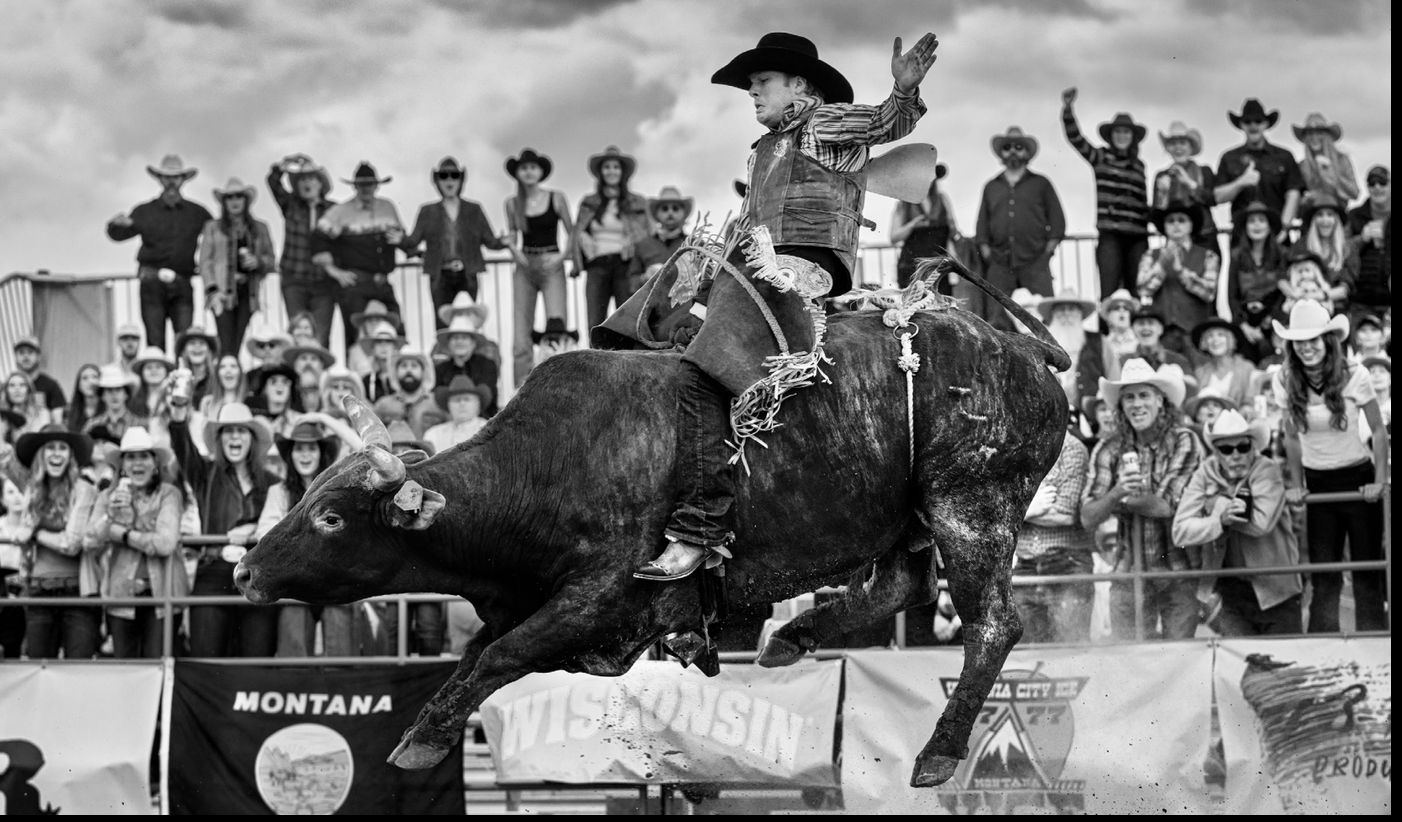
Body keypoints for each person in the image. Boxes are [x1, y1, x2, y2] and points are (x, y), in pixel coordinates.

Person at [634, 29, 940, 581]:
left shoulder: (819, 121)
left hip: (799, 272)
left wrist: (903, 93)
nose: (752, 92)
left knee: (704, 369)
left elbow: (883, 124)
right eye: (750, 84)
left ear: (798, 84)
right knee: (646, 324)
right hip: (758, 270)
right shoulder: (764, 149)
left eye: (762, 82)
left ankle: (702, 527)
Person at [1271, 301, 1388, 633]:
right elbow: (1291, 438)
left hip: (1357, 477)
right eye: (1300, 341)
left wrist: (1379, 481)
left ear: (1328, 340)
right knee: (1325, 575)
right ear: (1291, 345)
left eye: (1314, 340)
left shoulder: (1355, 374)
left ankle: (1375, 651)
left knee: (1367, 573)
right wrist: (1297, 483)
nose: (1307, 347)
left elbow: (1378, 431)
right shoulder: (1284, 378)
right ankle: (1322, 651)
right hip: (1319, 481)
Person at [1081, 358, 1202, 640]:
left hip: (1177, 570)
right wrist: (1119, 492)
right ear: (1121, 406)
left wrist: (1118, 501)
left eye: (1144, 395)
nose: (1137, 404)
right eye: (1129, 397)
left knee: (1179, 661)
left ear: (1161, 401)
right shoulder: (1108, 447)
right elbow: (1087, 516)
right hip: (1128, 570)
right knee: (1130, 664)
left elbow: (1165, 506)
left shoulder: (1184, 439)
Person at [1172, 409, 1303, 636]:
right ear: (1216, 452)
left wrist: (1217, 504)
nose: (1235, 455)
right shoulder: (1205, 472)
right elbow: (1180, 531)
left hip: (1276, 590)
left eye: (1242, 447)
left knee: (1284, 668)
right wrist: (1220, 520)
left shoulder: (1267, 468)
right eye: (1226, 449)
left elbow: (1260, 524)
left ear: (1253, 447)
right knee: (1243, 666)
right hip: (1230, 591)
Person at [167, 399, 277, 656]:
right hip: (213, 571)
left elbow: (283, 522)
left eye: (241, 430)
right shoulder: (204, 474)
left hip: (257, 573)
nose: (234, 437)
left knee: (256, 659)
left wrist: (251, 530)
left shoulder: (272, 483)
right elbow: (182, 447)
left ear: (252, 438)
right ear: (219, 439)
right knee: (206, 657)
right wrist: (178, 412)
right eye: (228, 431)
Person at [256, 418, 360, 657]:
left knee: (340, 645)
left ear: (321, 453)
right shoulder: (278, 492)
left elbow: (363, 449)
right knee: (294, 643)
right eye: (299, 449)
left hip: (335, 583)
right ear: (290, 455)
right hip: (296, 585)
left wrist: (324, 418)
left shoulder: (339, 489)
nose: (305, 455)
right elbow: (264, 533)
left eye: (311, 448)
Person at [85, 427, 188, 658]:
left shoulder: (169, 493)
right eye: (131, 457)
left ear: (155, 463)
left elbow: (165, 543)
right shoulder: (106, 497)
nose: (137, 463)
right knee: (126, 671)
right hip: (121, 598)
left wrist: (122, 533)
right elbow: (90, 542)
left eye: (144, 456)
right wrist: (109, 516)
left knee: (158, 668)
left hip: (163, 597)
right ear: (121, 464)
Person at [106, 154, 213, 349]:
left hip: (182, 283)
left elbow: (218, 237)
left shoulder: (197, 213)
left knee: (184, 343)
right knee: (155, 342)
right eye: (167, 177)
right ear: (160, 180)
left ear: (182, 180)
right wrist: (115, 225)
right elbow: (119, 235)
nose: (171, 181)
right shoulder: (144, 211)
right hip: (151, 284)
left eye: (175, 177)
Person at [12, 425, 101, 658]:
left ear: (70, 456)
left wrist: (37, 533)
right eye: (50, 448)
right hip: (39, 591)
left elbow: (71, 543)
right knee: (38, 668)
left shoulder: (84, 490)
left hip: (77, 592)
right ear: (41, 455)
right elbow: (22, 535)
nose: (56, 454)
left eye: (62, 448)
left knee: (77, 670)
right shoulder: (32, 489)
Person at [1060, 89, 1150, 298]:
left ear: (1133, 137)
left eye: (1126, 132)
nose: (1122, 136)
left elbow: (1142, 202)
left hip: (1137, 237)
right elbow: (1077, 139)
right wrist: (1067, 110)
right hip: (1111, 235)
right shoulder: (1100, 157)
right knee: (1108, 291)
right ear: (1111, 136)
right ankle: (1106, 331)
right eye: (1118, 132)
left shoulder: (1139, 166)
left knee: (1135, 292)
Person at [402, 156, 509, 328]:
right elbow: (412, 241)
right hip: (440, 276)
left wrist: (504, 242)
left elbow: (490, 242)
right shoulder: (427, 211)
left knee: (467, 323)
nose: (449, 180)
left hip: (467, 274)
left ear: (461, 180)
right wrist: (399, 239)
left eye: (454, 175)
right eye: (444, 176)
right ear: (437, 181)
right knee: (442, 324)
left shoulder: (474, 209)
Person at [312, 161, 406, 352]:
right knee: (356, 336)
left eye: (369, 184)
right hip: (356, 283)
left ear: (376, 186)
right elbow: (318, 238)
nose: (366, 189)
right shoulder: (341, 212)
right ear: (355, 186)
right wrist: (334, 271)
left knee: (395, 330)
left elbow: (401, 237)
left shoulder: (387, 207)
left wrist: (405, 242)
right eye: (362, 184)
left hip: (382, 281)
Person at [1012, 430, 1095, 643]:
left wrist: (1018, 508)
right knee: (1026, 654)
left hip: (1066, 561)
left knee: (1069, 649)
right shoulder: (1013, 445)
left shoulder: (1070, 447)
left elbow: (1066, 514)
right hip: (1025, 563)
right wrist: (1030, 508)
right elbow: (992, 507)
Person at [502, 148, 575, 389]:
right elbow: (512, 235)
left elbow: (571, 230)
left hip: (551, 263)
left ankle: (561, 385)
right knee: (521, 335)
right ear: (518, 173)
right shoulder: (512, 203)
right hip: (525, 266)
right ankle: (519, 393)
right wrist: (515, 252)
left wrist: (562, 256)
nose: (529, 171)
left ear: (541, 171)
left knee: (557, 328)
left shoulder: (556, 197)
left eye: (533, 167)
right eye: (524, 168)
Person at [976, 125, 1066, 319]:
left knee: (1043, 318)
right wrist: (989, 255)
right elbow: (981, 228)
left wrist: (1045, 254)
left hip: (1035, 262)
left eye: (1019, 146)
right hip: (999, 264)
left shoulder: (1042, 183)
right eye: (1008, 147)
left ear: (1026, 152)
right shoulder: (991, 187)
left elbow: (1058, 223)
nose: (1013, 151)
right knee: (996, 320)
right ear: (1002, 152)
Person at [573, 145, 653, 334]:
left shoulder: (638, 202)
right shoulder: (588, 202)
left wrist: (633, 241)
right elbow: (577, 233)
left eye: (616, 167)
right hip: (596, 265)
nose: (611, 171)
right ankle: (594, 361)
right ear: (601, 172)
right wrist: (582, 240)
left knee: (626, 320)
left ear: (622, 172)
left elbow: (648, 235)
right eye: (607, 167)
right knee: (595, 321)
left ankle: (626, 361)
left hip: (625, 264)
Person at [267, 154, 339, 349]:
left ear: (320, 184)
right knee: (297, 332)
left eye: (311, 178)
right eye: (302, 179)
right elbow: (273, 182)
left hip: (324, 283)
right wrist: (284, 164)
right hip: (294, 280)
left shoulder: (334, 210)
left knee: (321, 336)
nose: (306, 183)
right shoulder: (291, 205)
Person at [199, 178, 276, 357]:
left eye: (239, 197)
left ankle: (231, 375)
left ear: (245, 201)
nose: (234, 201)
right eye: (230, 197)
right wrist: (212, 290)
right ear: (224, 202)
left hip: (248, 294)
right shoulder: (213, 227)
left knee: (238, 341)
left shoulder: (260, 228)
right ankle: (226, 376)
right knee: (226, 343)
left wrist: (258, 262)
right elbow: (205, 261)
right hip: (221, 294)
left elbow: (271, 260)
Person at [1137, 200, 1220, 361]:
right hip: (1162, 333)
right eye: (1171, 221)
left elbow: (1209, 293)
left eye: (1181, 220)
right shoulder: (1151, 255)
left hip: (1195, 332)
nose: (1176, 225)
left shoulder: (1208, 256)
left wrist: (1181, 271)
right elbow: (1143, 290)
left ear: (1191, 225)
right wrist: (1161, 265)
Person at [1215, 99, 1305, 246]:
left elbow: (1293, 193)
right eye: (1247, 122)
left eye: (1258, 121)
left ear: (1266, 124)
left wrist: (1284, 227)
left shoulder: (1284, 156)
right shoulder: (1229, 157)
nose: (1253, 126)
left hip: (1277, 233)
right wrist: (1241, 182)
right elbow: (1218, 197)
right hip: (1242, 235)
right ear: (1241, 125)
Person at [1225, 201, 1288, 363]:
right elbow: (1232, 294)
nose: (1257, 225)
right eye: (1252, 221)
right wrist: (1244, 326)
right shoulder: (1236, 255)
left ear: (1269, 226)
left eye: (1261, 220)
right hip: (1246, 322)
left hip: (1275, 320)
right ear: (1245, 227)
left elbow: (1284, 292)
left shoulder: (1282, 254)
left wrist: (1270, 320)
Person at [1152, 121, 1220, 255]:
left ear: (1190, 147)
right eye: (1173, 144)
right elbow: (1157, 212)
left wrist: (1190, 183)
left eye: (1182, 143)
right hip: (1175, 240)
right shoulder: (1162, 176)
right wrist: (1163, 194)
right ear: (1168, 148)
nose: (1178, 148)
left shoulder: (1204, 172)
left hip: (1205, 237)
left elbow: (1212, 199)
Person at [890, 163, 959, 290]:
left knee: (941, 303)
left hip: (939, 266)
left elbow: (954, 230)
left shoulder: (942, 199)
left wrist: (952, 227)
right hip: (912, 266)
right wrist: (913, 224)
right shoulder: (903, 204)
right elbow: (894, 237)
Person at [1036, 289, 1101, 411]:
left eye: (1071, 309)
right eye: (1061, 309)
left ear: (1080, 313)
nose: (1066, 313)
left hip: (1091, 415)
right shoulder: (1039, 345)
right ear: (1053, 314)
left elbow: (1113, 375)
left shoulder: (1099, 342)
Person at [1292, 194, 1358, 312]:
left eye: (1330, 215)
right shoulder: (1301, 245)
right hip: (1302, 307)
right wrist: (1296, 295)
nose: (1325, 220)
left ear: (1336, 220)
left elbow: (1345, 288)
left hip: (1335, 308)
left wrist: (1319, 296)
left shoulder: (1348, 248)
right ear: (1313, 220)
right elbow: (1286, 276)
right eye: (1320, 215)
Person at [1344, 165, 1391, 326]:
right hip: (1361, 300)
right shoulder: (1354, 215)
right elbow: (1341, 251)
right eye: (1372, 183)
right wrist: (1362, 238)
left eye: (1383, 182)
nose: (1377, 187)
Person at [433, 313, 501, 418]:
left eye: (464, 338)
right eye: (455, 338)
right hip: (449, 419)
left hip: (484, 420)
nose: (459, 341)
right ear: (449, 344)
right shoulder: (441, 369)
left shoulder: (487, 365)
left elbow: (487, 398)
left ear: (473, 343)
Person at [1293, 112, 1360, 206]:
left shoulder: (1342, 160)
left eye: (1319, 133)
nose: (1314, 137)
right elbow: (1297, 199)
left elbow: (1354, 193)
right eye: (1310, 134)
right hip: (1313, 214)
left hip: (1338, 213)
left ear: (1327, 136)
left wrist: (1332, 175)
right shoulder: (1302, 166)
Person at [1190, 318, 1256, 413]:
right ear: (1204, 342)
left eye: (1221, 335)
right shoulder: (1200, 372)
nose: (1215, 340)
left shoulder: (1247, 368)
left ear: (1230, 339)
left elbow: (1251, 402)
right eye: (1209, 336)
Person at [1, 463, 30, 658]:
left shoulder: (35, 526)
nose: (17, 496)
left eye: (20, 491)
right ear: (2, 499)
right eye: (11, 492)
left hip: (25, 592)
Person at [637, 186, 696, 282]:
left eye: (675, 208)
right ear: (657, 213)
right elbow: (631, 281)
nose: (670, 212)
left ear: (683, 213)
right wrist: (645, 277)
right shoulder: (642, 245)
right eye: (665, 209)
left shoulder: (695, 244)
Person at [424, 375, 491, 455]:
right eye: (456, 400)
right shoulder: (433, 435)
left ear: (477, 404)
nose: (462, 403)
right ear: (448, 406)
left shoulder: (489, 431)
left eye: (467, 399)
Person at [11, 337, 67, 427]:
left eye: (30, 352)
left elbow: (58, 422)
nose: (26, 357)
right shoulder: (8, 386)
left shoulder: (51, 385)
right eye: (21, 353)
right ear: (16, 358)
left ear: (39, 357)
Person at [83, 364, 145, 442]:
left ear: (126, 394)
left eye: (118, 390)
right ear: (102, 396)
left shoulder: (138, 424)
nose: (114, 395)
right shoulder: (91, 425)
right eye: (109, 390)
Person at [388, 346, 438, 438]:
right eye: (404, 366)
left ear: (423, 371)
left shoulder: (437, 403)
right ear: (396, 371)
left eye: (414, 366)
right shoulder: (383, 405)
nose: (409, 370)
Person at [1127, 307, 1193, 376]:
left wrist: (1175, 377)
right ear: (1133, 329)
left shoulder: (1178, 361)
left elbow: (1193, 384)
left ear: (1161, 329)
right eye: (1141, 323)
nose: (1146, 327)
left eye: (1150, 323)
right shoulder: (1123, 361)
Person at [173, 324, 220, 411]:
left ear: (209, 351)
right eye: (192, 343)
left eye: (202, 343)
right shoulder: (175, 380)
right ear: (184, 351)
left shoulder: (219, 380)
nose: (197, 347)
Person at [1097, 288, 1139, 382]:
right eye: (1116, 308)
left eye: (1126, 308)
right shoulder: (1103, 344)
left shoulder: (1140, 342)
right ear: (1108, 315)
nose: (1122, 311)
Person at [242, 322, 293, 398]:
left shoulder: (290, 374)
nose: (267, 349)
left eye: (271, 345)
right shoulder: (250, 376)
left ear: (280, 348)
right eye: (262, 346)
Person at [65, 364, 102, 434]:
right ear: (78, 385)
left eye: (95, 377)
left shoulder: (109, 410)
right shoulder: (69, 411)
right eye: (85, 378)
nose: (90, 382)